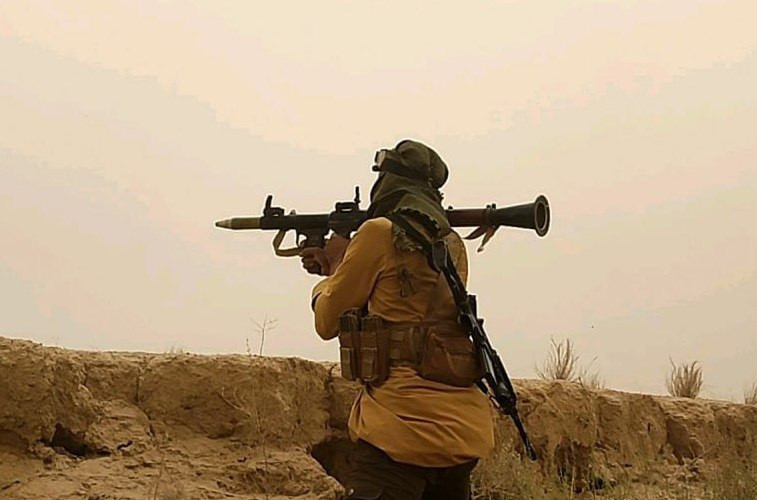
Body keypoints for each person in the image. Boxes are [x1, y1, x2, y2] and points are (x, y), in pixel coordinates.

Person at [301, 140, 494, 500]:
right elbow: (411, 312)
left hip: (400, 431)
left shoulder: (378, 233)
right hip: (461, 434)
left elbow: (328, 321)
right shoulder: (452, 244)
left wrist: (333, 271)